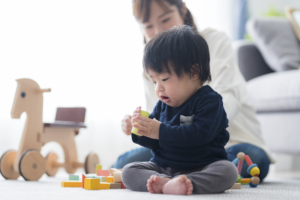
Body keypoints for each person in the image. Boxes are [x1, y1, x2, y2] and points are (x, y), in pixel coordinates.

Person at [115, 0, 275, 181]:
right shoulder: (153, 66)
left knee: (247, 160)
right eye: (148, 25)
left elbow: (227, 100)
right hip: (174, 147)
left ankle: (189, 176)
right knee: (128, 163)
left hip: (222, 144)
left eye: (165, 19)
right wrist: (140, 127)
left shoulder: (213, 45)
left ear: (182, 9)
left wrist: (166, 130)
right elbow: (158, 122)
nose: (159, 31)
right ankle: (177, 179)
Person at [122, 25, 238, 195]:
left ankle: (188, 183)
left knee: (228, 171)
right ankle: (166, 183)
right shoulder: (162, 105)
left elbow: (199, 135)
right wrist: (141, 130)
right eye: (154, 82)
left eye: (164, 79)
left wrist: (159, 130)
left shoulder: (210, 101)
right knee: (128, 171)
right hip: (164, 167)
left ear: (194, 72)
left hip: (203, 166)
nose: (158, 89)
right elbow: (155, 142)